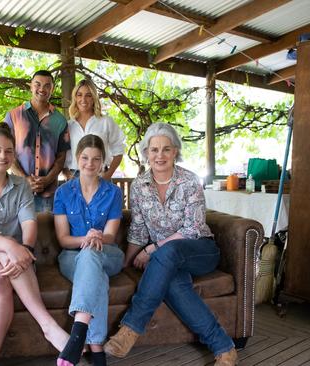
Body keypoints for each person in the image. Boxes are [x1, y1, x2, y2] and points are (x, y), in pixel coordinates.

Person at [103, 123, 238, 366]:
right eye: (154, 150)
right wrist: (126, 262)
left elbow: (193, 227)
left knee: (168, 250)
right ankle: (224, 348)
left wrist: (153, 248)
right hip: (166, 259)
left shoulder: (190, 181)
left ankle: (131, 328)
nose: (160, 155)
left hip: (199, 250)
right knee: (174, 283)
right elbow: (138, 229)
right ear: (146, 153)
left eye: (166, 149)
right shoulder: (139, 186)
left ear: (175, 151)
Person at [0, 123, 69, 366]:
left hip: (12, 260)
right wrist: (12, 247)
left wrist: (26, 249)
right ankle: (48, 325)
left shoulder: (21, 187)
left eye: (9, 151)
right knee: (7, 250)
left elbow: (29, 224)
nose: (3, 156)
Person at [53, 135, 125, 366]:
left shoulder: (113, 193)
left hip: (108, 253)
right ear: (77, 158)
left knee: (92, 255)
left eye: (96, 159)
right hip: (72, 257)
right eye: (85, 158)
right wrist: (86, 238)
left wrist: (98, 237)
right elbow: (64, 239)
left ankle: (77, 336)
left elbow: (111, 236)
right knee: (96, 274)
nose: (90, 164)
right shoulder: (63, 193)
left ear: (103, 161)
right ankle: (96, 348)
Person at [5, 70, 70, 212]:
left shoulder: (60, 120)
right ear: (30, 86)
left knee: (45, 233)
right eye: (38, 84)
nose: (42, 89)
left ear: (52, 89)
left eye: (47, 86)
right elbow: (7, 152)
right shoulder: (13, 116)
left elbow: (61, 157)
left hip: (47, 194)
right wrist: (25, 179)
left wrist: (47, 180)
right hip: (17, 191)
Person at [62, 79, 125, 181]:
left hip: (100, 175)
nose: (83, 99)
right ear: (75, 97)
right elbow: (62, 154)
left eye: (88, 95)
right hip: (74, 176)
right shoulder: (68, 125)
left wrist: (107, 175)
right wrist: (67, 175)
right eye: (79, 95)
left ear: (94, 98)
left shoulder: (106, 122)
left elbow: (118, 150)